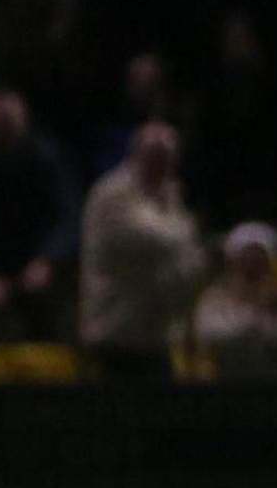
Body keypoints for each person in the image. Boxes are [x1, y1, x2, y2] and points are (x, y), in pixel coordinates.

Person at [79, 122, 206, 381]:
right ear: (136, 155)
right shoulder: (112, 194)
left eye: (167, 159)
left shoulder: (168, 196)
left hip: (153, 334)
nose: (162, 167)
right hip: (114, 333)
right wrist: (191, 246)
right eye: (155, 157)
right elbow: (154, 239)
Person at [0, 90, 80, 343]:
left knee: (59, 313)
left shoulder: (46, 159)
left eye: (6, 125)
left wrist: (47, 261)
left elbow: (69, 218)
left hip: (40, 264)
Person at [189, 221, 277, 381]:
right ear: (232, 263)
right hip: (229, 382)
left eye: (259, 261)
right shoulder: (214, 299)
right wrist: (258, 312)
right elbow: (209, 336)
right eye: (245, 261)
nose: (252, 268)